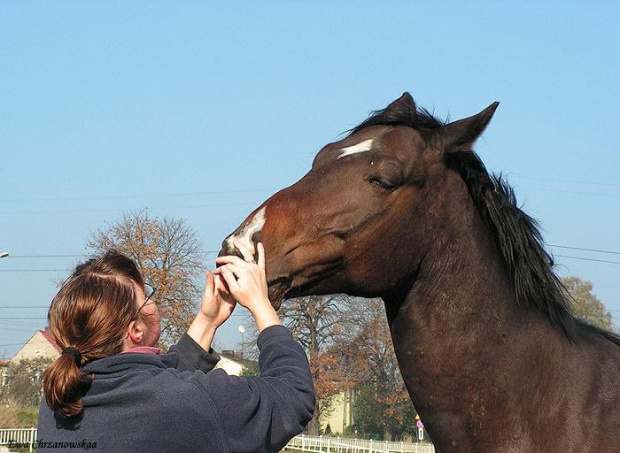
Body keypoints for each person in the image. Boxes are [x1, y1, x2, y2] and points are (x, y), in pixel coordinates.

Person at [37, 243, 315, 452]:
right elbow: (293, 395)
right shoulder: (182, 402)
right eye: (147, 298)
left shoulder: (57, 401)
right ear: (135, 330)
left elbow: (152, 387)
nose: (152, 303)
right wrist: (260, 304)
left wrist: (207, 322)